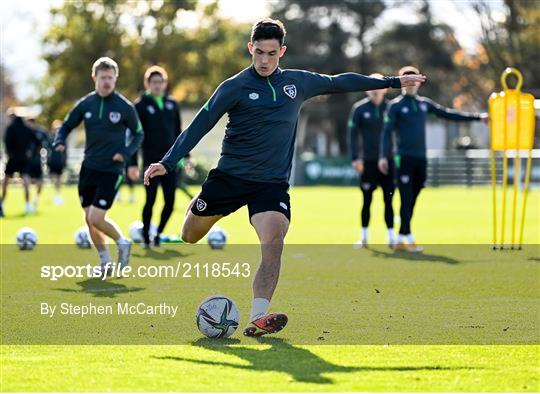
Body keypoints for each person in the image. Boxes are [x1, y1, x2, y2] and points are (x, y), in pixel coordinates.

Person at [144, 19, 425, 336]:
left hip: (270, 184)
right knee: (189, 235)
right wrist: (168, 162)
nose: (264, 60)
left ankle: (257, 317)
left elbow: (338, 82)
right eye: (259, 52)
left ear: (282, 52)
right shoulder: (234, 87)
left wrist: (389, 82)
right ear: (250, 48)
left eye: (272, 54)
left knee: (274, 240)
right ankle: (199, 205)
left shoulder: (298, 83)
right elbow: (201, 123)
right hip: (228, 179)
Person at [378, 65, 488, 252]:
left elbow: (448, 114)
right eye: (408, 80)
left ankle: (402, 235)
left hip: (421, 158)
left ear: (419, 82)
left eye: (414, 80)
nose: (411, 84)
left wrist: (478, 117)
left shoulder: (424, 104)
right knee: (405, 198)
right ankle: (406, 236)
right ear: (402, 83)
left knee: (414, 196)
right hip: (403, 158)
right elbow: (387, 132)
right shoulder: (395, 106)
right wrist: (383, 156)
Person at [53, 57, 143, 271]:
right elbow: (66, 125)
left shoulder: (124, 106)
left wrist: (125, 153)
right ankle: (105, 261)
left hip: (111, 170)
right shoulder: (86, 103)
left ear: (115, 78)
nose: (107, 82)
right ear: (95, 77)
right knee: (89, 218)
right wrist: (59, 141)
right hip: (88, 168)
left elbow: (138, 134)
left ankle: (122, 241)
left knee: (96, 216)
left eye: (110, 78)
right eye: (103, 77)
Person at [133, 65, 184, 248]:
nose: (157, 85)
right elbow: (134, 136)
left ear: (165, 83)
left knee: (170, 202)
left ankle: (158, 234)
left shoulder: (172, 104)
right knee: (151, 200)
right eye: (154, 82)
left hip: (171, 163)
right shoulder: (140, 106)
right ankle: (146, 237)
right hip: (150, 162)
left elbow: (179, 133)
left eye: (160, 82)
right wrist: (132, 163)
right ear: (147, 83)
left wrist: (186, 156)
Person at [347, 74, 395, 248]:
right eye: (371, 86)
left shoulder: (391, 108)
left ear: (385, 88)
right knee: (367, 200)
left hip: (388, 162)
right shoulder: (359, 109)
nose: (375, 90)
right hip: (367, 162)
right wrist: (355, 158)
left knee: (388, 200)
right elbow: (352, 136)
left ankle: (391, 237)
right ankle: (364, 237)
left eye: (378, 86)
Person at [1, 109, 34, 216]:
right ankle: (28, 205)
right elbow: (36, 141)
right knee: (26, 182)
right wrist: (30, 152)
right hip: (24, 158)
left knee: (5, 183)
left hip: (13, 158)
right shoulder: (27, 128)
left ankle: (1, 205)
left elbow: (7, 142)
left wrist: (9, 153)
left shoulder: (10, 128)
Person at [26, 116, 49, 212]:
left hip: (36, 160)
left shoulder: (40, 132)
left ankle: (35, 200)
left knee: (40, 182)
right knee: (26, 181)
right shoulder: (24, 132)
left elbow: (46, 143)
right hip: (26, 161)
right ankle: (27, 204)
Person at [47, 120, 67, 206]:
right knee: (52, 177)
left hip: (59, 161)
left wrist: (65, 160)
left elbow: (65, 151)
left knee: (59, 178)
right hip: (52, 161)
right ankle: (56, 192)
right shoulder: (50, 138)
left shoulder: (63, 139)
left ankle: (57, 193)